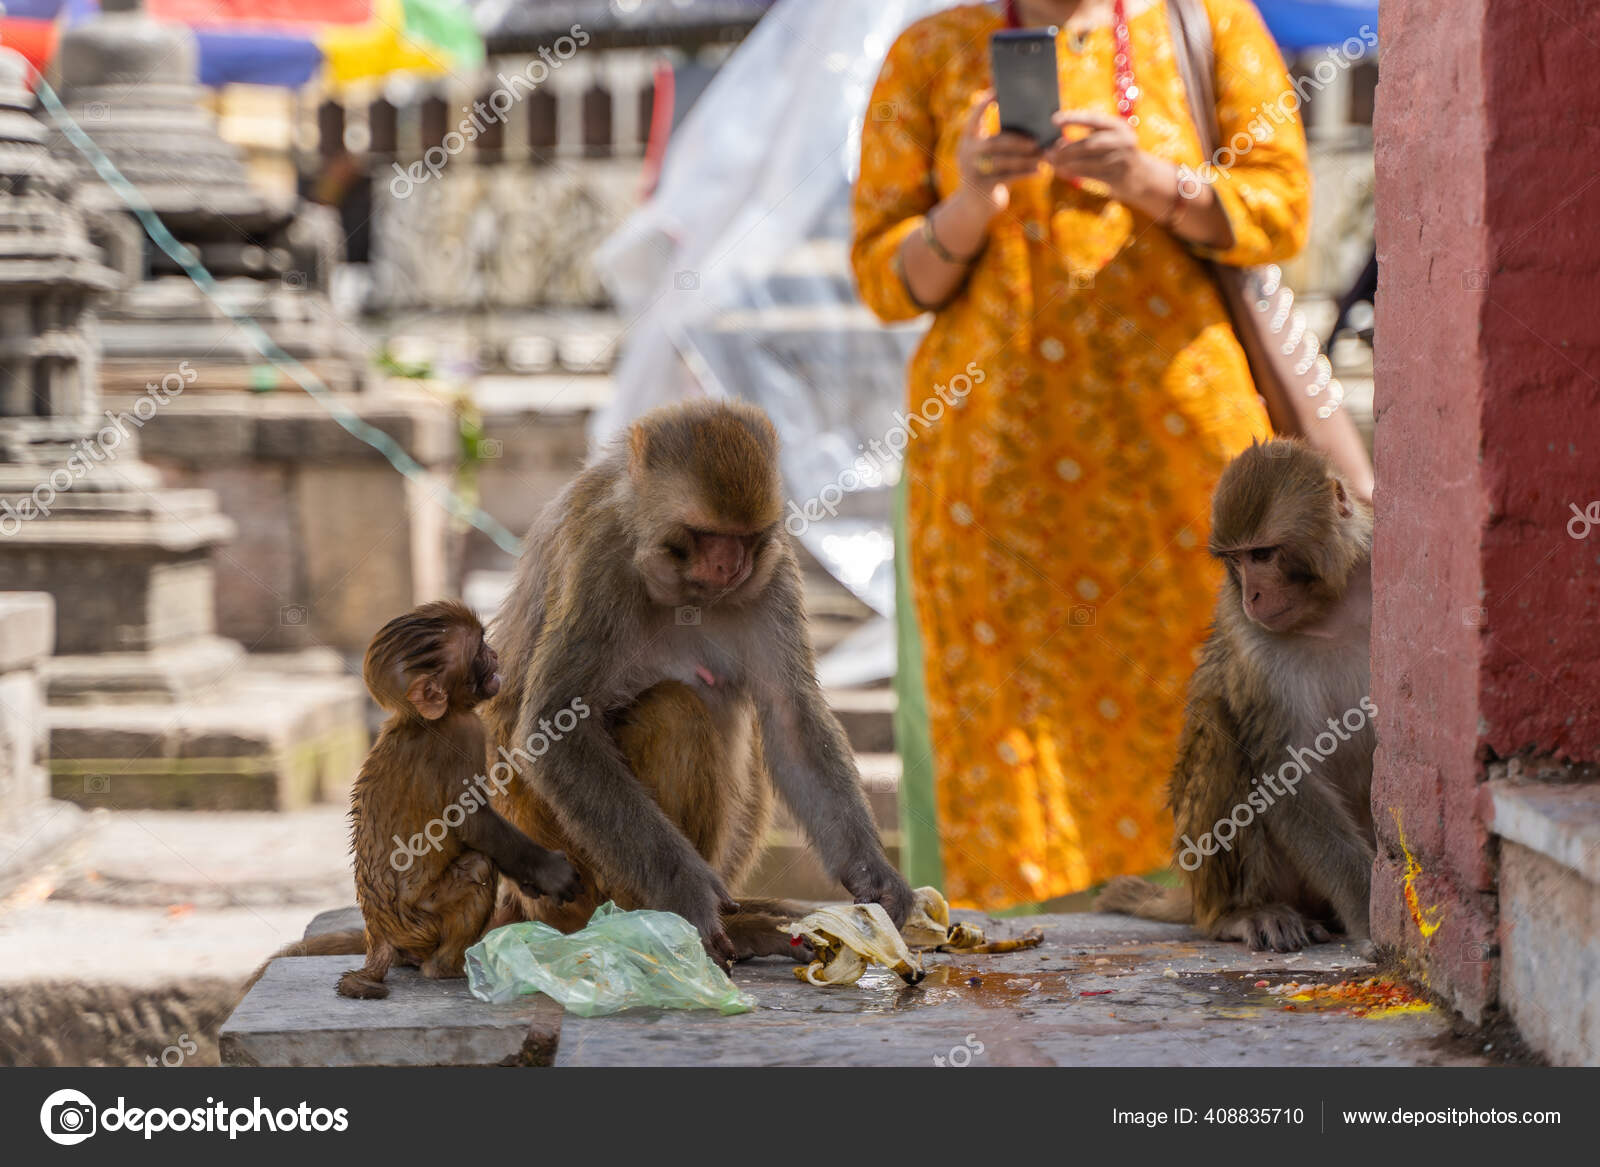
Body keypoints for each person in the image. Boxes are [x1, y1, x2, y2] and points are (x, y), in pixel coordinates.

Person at [852, 0, 1312, 908]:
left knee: (1213, 700)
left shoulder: (1209, 24)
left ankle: (1231, 906)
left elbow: (1283, 209)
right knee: (1011, 747)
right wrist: (972, 200)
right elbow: (885, 278)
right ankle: (1019, 994)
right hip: (997, 496)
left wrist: (1150, 179)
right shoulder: (930, 55)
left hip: (1181, 475)